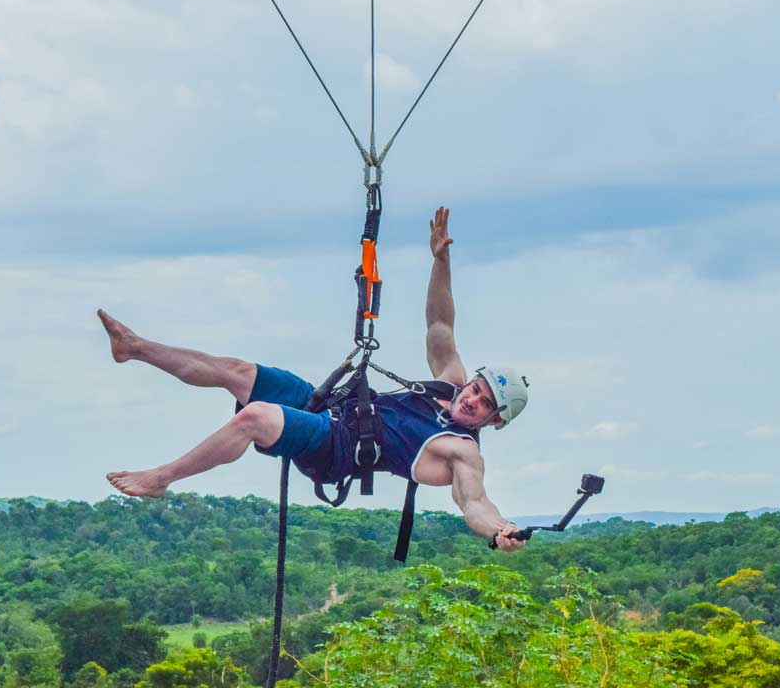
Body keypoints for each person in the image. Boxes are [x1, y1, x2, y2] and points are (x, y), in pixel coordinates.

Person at [100, 207, 529, 551]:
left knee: (256, 418)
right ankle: (134, 347)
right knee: (240, 372)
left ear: (494, 421)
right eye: (477, 387)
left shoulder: (462, 451)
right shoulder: (450, 383)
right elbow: (440, 321)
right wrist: (441, 260)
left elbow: (473, 501)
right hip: (336, 406)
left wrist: (498, 529)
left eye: (485, 403)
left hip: (337, 448)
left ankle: (162, 479)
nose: (472, 398)